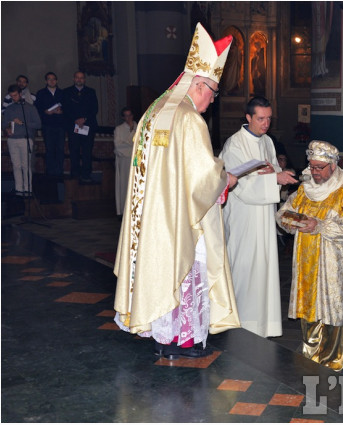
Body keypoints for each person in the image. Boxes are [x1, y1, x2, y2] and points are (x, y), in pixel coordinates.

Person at [113, 23, 240, 359]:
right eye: (212, 92)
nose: (212, 100)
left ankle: (161, 335)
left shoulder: (154, 112)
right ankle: (182, 339)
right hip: (180, 215)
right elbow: (202, 177)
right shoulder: (189, 119)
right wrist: (225, 178)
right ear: (198, 84)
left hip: (151, 213)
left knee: (159, 268)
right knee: (188, 270)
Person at [275, 141, 343, 371]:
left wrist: (319, 225)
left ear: (333, 166)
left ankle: (333, 360)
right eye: (312, 166)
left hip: (333, 263)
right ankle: (310, 354)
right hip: (306, 260)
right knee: (309, 307)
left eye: (320, 167)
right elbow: (283, 212)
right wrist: (293, 221)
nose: (314, 172)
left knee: (332, 310)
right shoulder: (304, 190)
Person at [220, 96, 298, 338]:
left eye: (269, 119)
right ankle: (242, 322)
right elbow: (238, 185)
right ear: (248, 118)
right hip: (244, 215)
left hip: (263, 213)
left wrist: (280, 172)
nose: (266, 124)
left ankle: (264, 324)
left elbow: (270, 169)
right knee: (245, 266)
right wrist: (274, 178)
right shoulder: (235, 144)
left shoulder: (267, 142)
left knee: (264, 265)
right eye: (261, 119)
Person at [2, 84, 42, 197]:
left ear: (20, 94)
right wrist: (7, 128)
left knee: (26, 165)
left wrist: (23, 123)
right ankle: (19, 189)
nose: (13, 98)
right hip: (12, 140)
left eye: (15, 95)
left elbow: (38, 124)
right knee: (16, 165)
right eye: (11, 96)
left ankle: (28, 189)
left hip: (25, 139)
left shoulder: (30, 108)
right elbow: (3, 124)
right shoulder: (9, 109)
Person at [63, 71, 98, 183]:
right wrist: (76, 120)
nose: (79, 80)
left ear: (84, 79)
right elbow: (66, 109)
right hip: (73, 126)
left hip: (88, 125)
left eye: (81, 78)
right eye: (77, 78)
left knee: (87, 151)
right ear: (74, 79)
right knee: (74, 151)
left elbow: (95, 108)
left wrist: (84, 119)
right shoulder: (67, 92)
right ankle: (75, 174)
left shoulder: (91, 92)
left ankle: (86, 174)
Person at [35, 72, 66, 177]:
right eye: (49, 79)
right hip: (47, 125)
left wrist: (62, 111)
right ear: (46, 81)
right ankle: (50, 173)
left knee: (60, 149)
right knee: (49, 149)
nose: (51, 81)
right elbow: (37, 108)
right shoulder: (41, 93)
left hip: (60, 125)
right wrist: (45, 111)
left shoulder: (62, 93)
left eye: (53, 79)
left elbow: (68, 108)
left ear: (56, 81)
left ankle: (59, 172)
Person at [113, 107, 136, 216]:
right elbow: (118, 146)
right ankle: (123, 210)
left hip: (136, 159)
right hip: (124, 161)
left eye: (130, 115)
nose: (128, 118)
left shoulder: (139, 126)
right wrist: (131, 136)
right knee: (124, 185)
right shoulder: (119, 129)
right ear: (123, 117)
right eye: (126, 115)